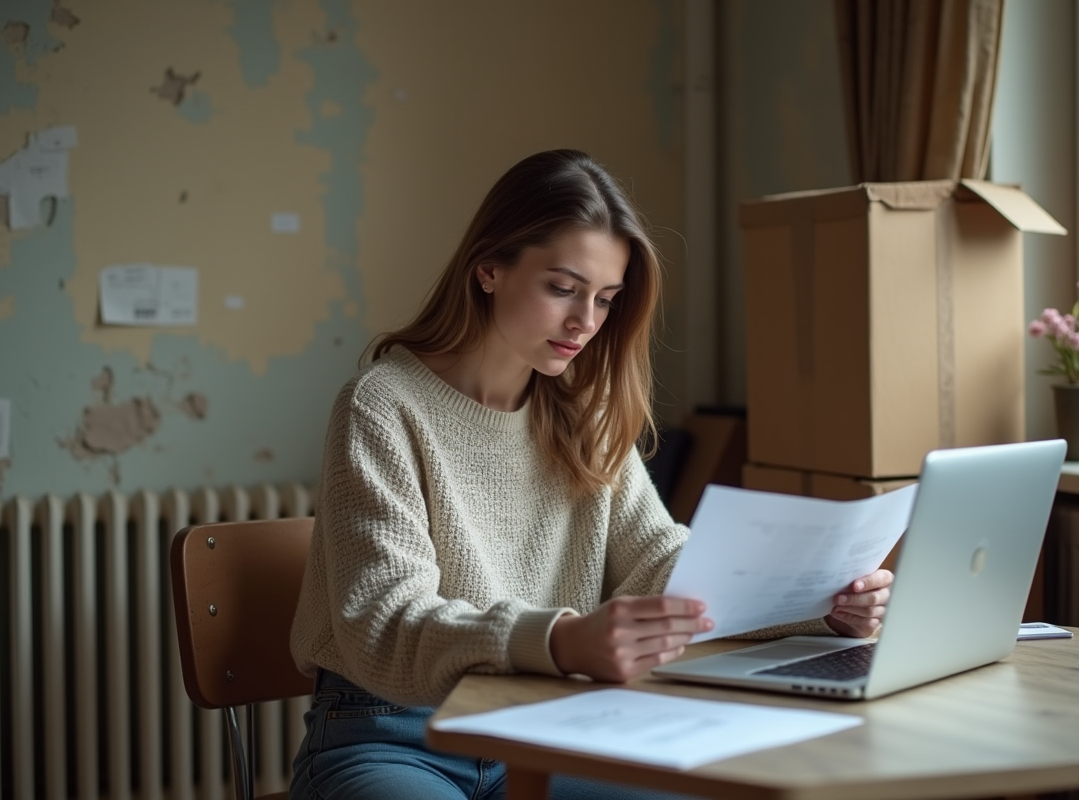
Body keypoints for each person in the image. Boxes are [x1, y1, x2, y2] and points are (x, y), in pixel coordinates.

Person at [288, 149, 893, 800]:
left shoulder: (585, 407)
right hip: (394, 734)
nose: (586, 323)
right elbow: (383, 621)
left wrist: (816, 602)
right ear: (488, 268)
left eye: (605, 299)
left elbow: (659, 563)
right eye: (562, 288)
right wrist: (560, 640)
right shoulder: (381, 406)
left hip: (548, 722)